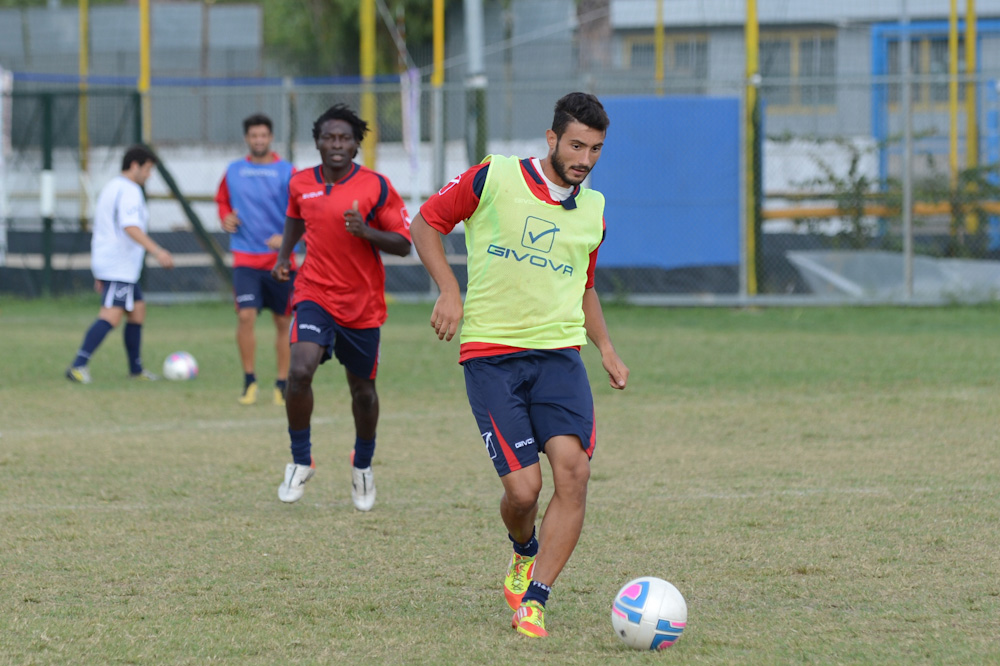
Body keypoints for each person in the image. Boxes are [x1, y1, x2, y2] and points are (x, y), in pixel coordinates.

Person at [409, 92, 629, 638]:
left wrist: (604, 346)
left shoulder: (593, 211)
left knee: (573, 473)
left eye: (596, 149)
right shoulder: (496, 176)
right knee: (524, 492)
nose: (585, 158)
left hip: (559, 356)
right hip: (491, 355)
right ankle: (523, 548)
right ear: (552, 139)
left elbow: (586, 286)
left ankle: (536, 598)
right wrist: (448, 290)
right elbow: (425, 223)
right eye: (576, 145)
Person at [272, 104, 412, 511]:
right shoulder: (300, 182)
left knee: (363, 392)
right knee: (298, 371)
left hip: (362, 304)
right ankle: (301, 459)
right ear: (317, 142)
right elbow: (296, 219)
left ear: (356, 145)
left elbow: (403, 244)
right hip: (314, 292)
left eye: (345, 138)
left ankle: (362, 465)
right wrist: (284, 257)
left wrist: (365, 231)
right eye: (329, 137)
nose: (337, 144)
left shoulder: (376, 186)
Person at [65, 144, 175, 384]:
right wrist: (157, 250)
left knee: (137, 311)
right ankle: (77, 366)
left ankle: (136, 370)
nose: (149, 175)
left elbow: (105, 229)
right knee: (111, 316)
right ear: (135, 166)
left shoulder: (112, 187)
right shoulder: (129, 190)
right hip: (119, 266)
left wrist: (99, 269)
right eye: (147, 169)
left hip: (116, 265)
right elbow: (129, 226)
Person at [216, 113, 296, 407]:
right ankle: (249, 381)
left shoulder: (288, 171)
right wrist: (225, 217)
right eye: (254, 136)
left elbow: (304, 210)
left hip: (281, 261)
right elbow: (222, 200)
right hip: (245, 257)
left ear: (270, 137)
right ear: (247, 139)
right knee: (245, 315)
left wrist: (286, 239)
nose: (259, 140)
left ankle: (282, 383)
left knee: (282, 321)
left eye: (263, 135)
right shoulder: (234, 170)